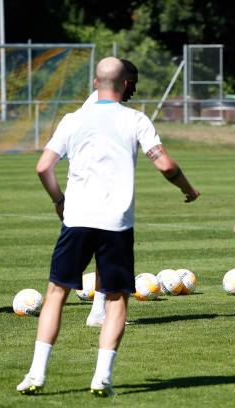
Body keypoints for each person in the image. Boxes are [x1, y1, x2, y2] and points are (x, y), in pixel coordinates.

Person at [17, 57, 200, 397]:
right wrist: (187, 188)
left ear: (95, 82)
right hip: (116, 224)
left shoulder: (73, 119)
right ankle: (101, 377)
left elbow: (43, 167)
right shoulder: (135, 119)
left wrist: (60, 201)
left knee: (57, 293)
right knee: (116, 298)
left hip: (77, 220)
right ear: (125, 83)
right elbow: (165, 164)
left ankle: (36, 374)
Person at [82, 59, 139, 328]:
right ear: (122, 79)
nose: (134, 91)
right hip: (98, 192)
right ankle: (99, 313)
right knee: (108, 253)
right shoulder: (99, 105)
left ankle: (98, 310)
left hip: (96, 191)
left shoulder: (102, 103)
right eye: (132, 83)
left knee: (103, 254)